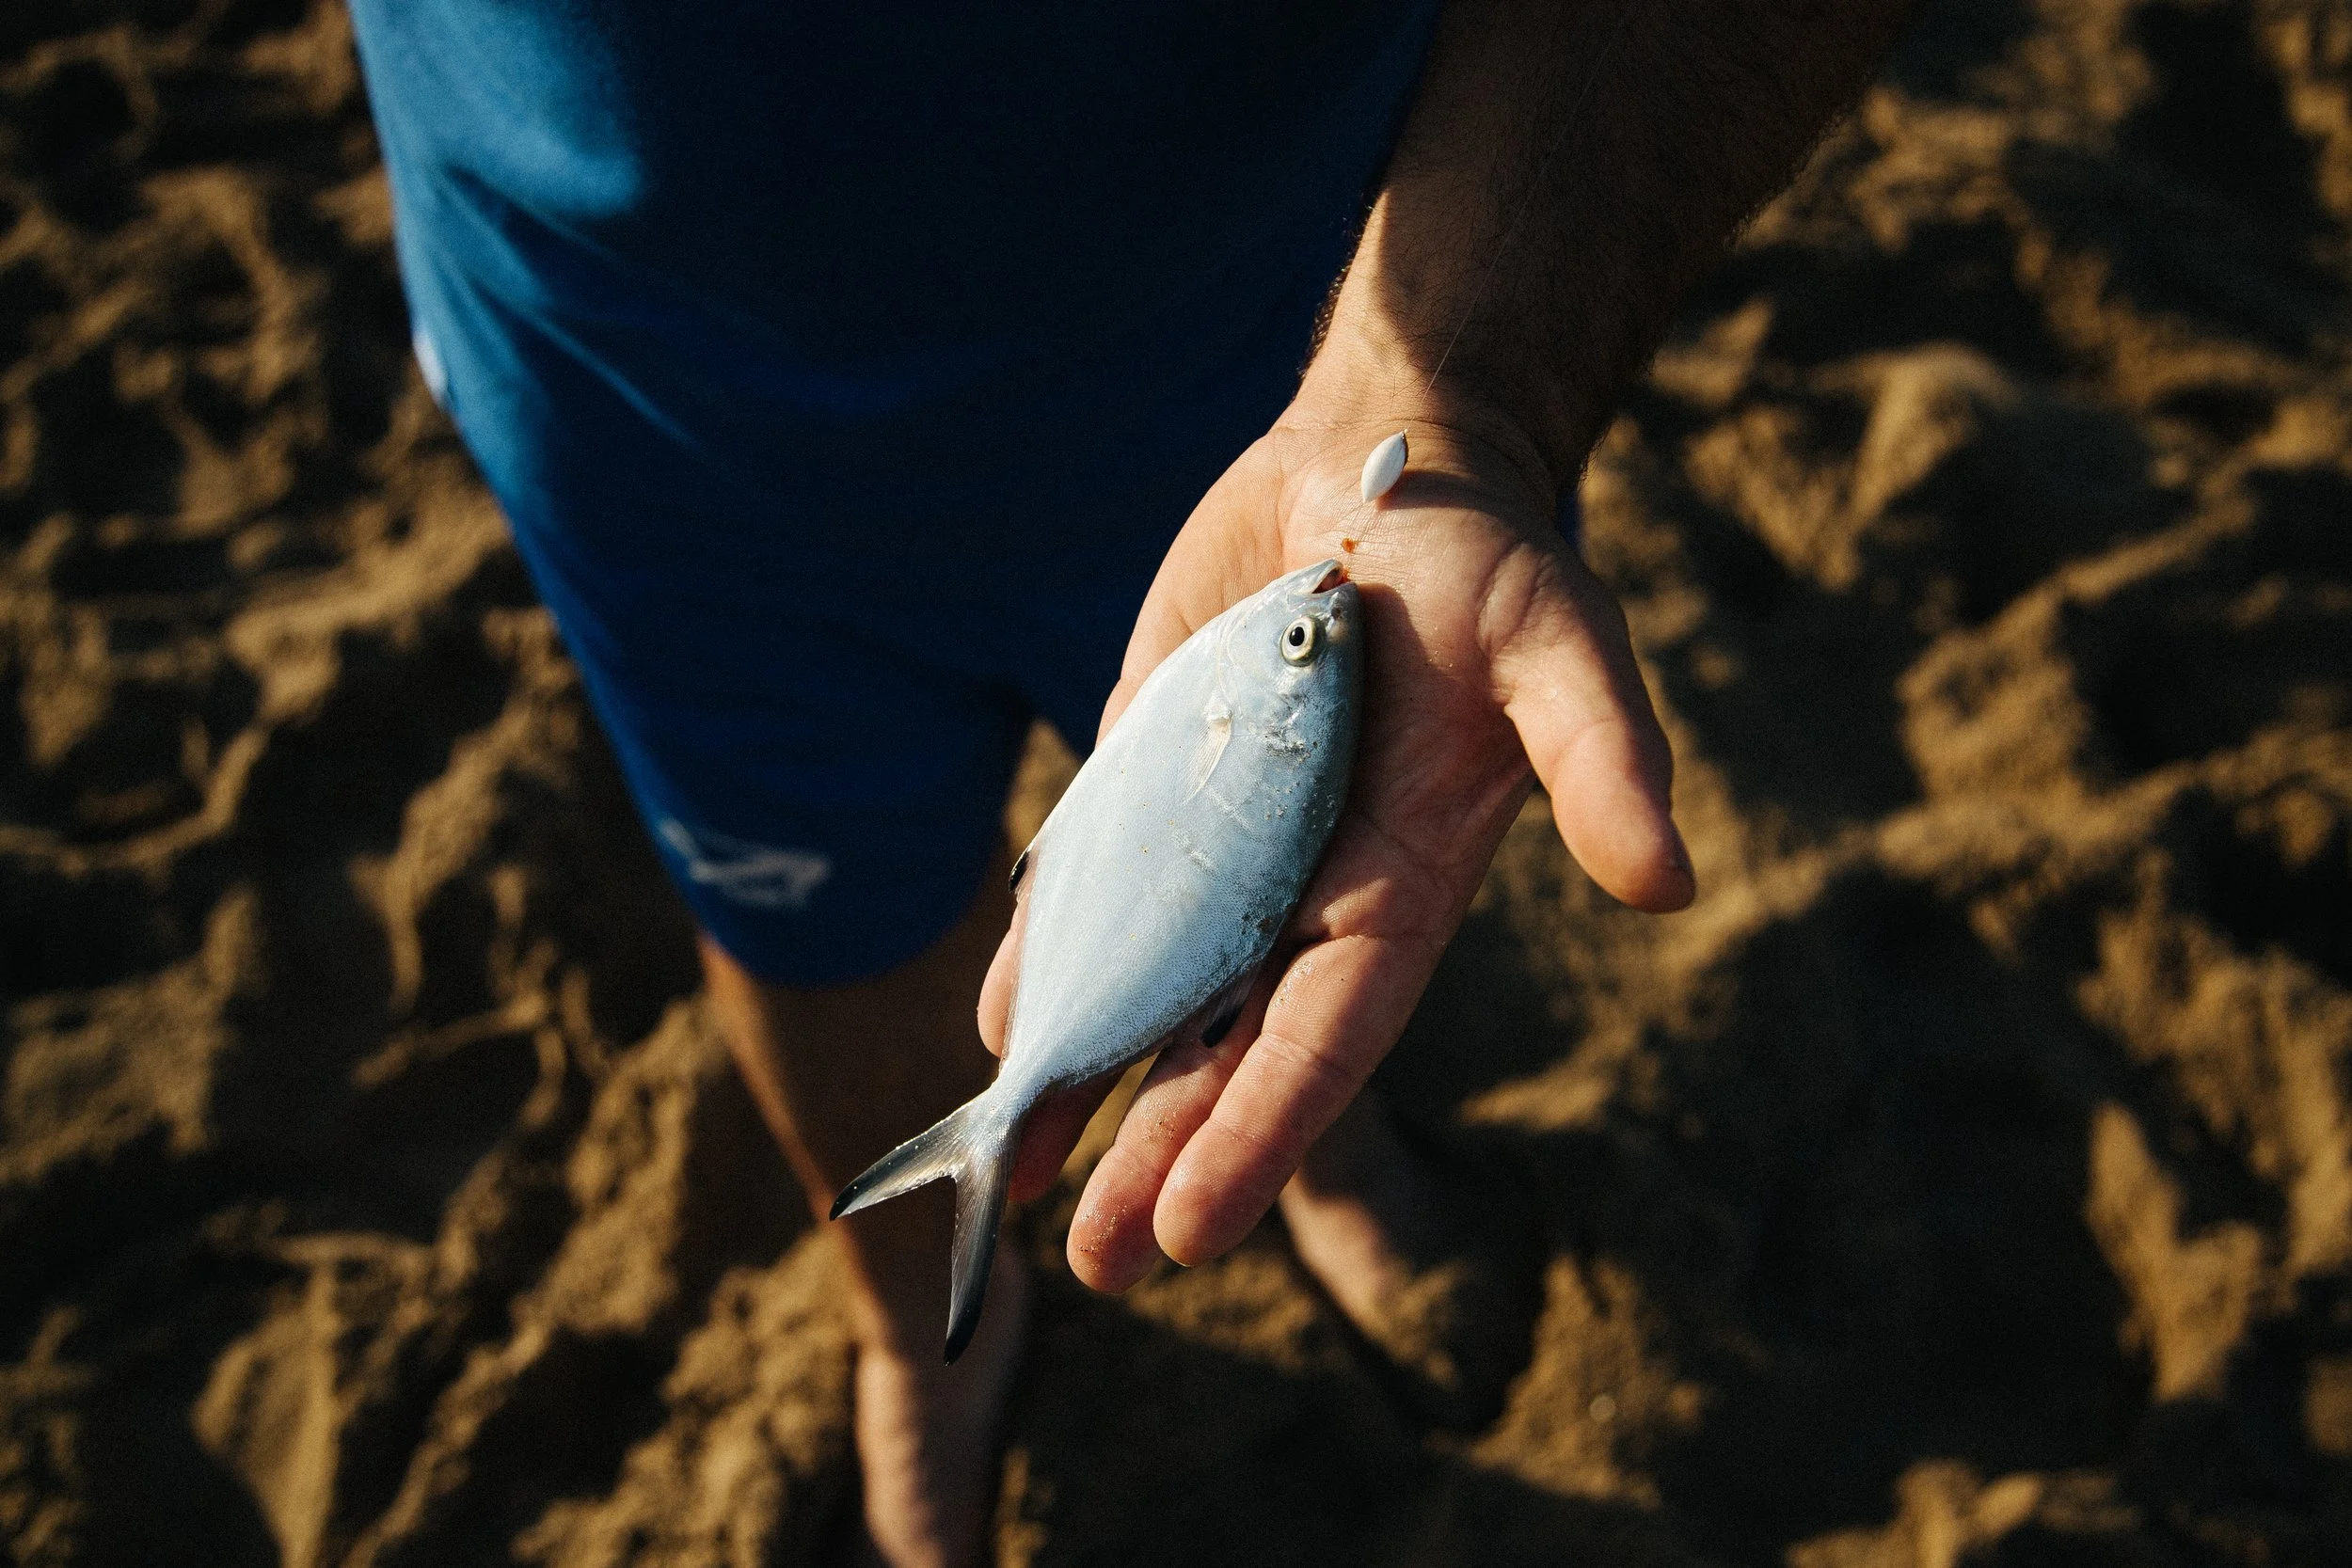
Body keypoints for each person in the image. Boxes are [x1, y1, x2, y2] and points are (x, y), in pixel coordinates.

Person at [346, 2, 1910, 1561]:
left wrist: (1459, 392)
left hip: (1274, 328)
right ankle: (913, 1317)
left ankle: (1325, 1154)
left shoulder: (1299, 548)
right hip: (631, 379)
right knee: (820, 922)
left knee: (1286, 956)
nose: (1322, 632)